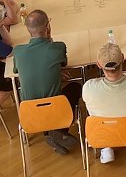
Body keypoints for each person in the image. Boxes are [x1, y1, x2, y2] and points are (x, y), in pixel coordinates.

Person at [12, 10, 80, 155]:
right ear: (48, 27)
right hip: (55, 109)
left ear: (27, 29)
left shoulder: (18, 51)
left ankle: (52, 134)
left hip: (30, 112)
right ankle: (57, 131)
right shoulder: (58, 47)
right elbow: (63, 62)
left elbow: (16, 70)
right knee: (75, 86)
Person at [81, 43, 126, 164]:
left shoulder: (88, 87)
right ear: (123, 58)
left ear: (98, 65)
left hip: (103, 132)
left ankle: (106, 147)